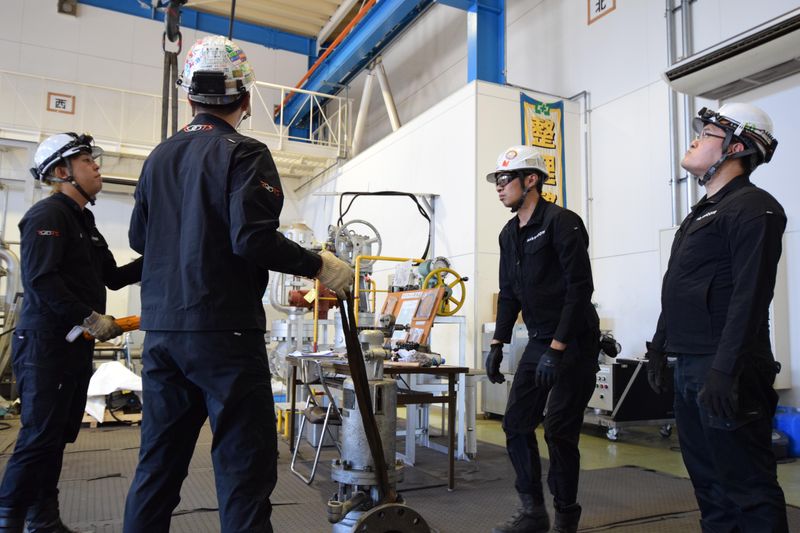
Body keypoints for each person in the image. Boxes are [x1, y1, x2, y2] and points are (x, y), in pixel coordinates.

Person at [122, 36, 353, 533]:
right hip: (224, 334)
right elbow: (252, 239)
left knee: (157, 467)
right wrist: (318, 265)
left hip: (162, 334)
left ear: (189, 97)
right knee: (242, 470)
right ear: (245, 99)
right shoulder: (245, 152)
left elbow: (140, 238)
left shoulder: (158, 157)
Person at [646, 103, 788, 532]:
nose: (694, 140)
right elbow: (677, 286)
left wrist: (725, 370)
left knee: (746, 486)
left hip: (727, 368)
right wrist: (659, 347)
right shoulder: (700, 214)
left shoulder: (755, 207)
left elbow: (751, 296)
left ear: (736, 147)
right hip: (690, 365)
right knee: (708, 485)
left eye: (706, 133)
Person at [0, 133, 143, 533]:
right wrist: (91, 319)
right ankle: (7, 518)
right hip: (45, 344)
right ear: (62, 172)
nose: (96, 166)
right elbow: (42, 281)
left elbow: (113, 277)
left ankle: (42, 519)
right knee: (38, 436)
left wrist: (163, 253)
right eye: (86, 160)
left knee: (57, 436)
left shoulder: (84, 221)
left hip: (73, 345)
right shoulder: (47, 216)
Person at [485, 145, 599, 533]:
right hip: (538, 341)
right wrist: (498, 344)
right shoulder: (508, 234)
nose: (499, 187)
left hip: (575, 341)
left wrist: (558, 348)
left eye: (505, 179)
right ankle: (533, 511)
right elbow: (509, 294)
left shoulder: (562, 223)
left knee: (558, 431)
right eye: (497, 180)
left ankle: (566, 515)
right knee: (516, 424)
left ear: (530, 180)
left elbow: (579, 289)